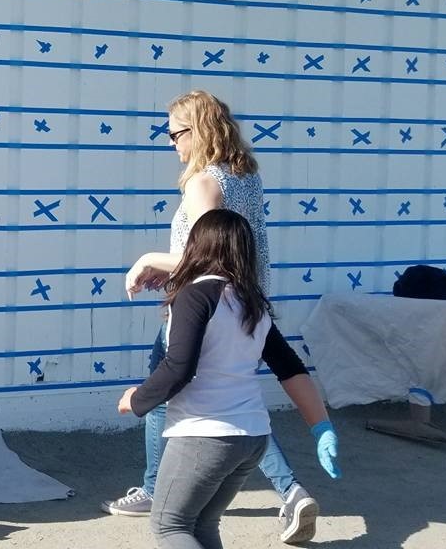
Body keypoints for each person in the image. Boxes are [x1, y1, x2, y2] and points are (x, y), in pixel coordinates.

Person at [107, 90, 320, 545]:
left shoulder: (203, 182)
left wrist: (148, 259)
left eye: (175, 133)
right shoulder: (246, 175)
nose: (170, 143)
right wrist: (319, 423)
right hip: (248, 303)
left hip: (204, 306)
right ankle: (289, 488)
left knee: (174, 397)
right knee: (235, 396)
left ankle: (155, 490)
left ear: (197, 130)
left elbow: (202, 254)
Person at [117, 209, 341, 549]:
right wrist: (321, 427)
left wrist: (137, 399)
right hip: (252, 438)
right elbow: (291, 369)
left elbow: (179, 367)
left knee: (169, 525)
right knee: (203, 524)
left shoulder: (194, 295)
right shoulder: (251, 302)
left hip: (205, 434)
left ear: (195, 247)